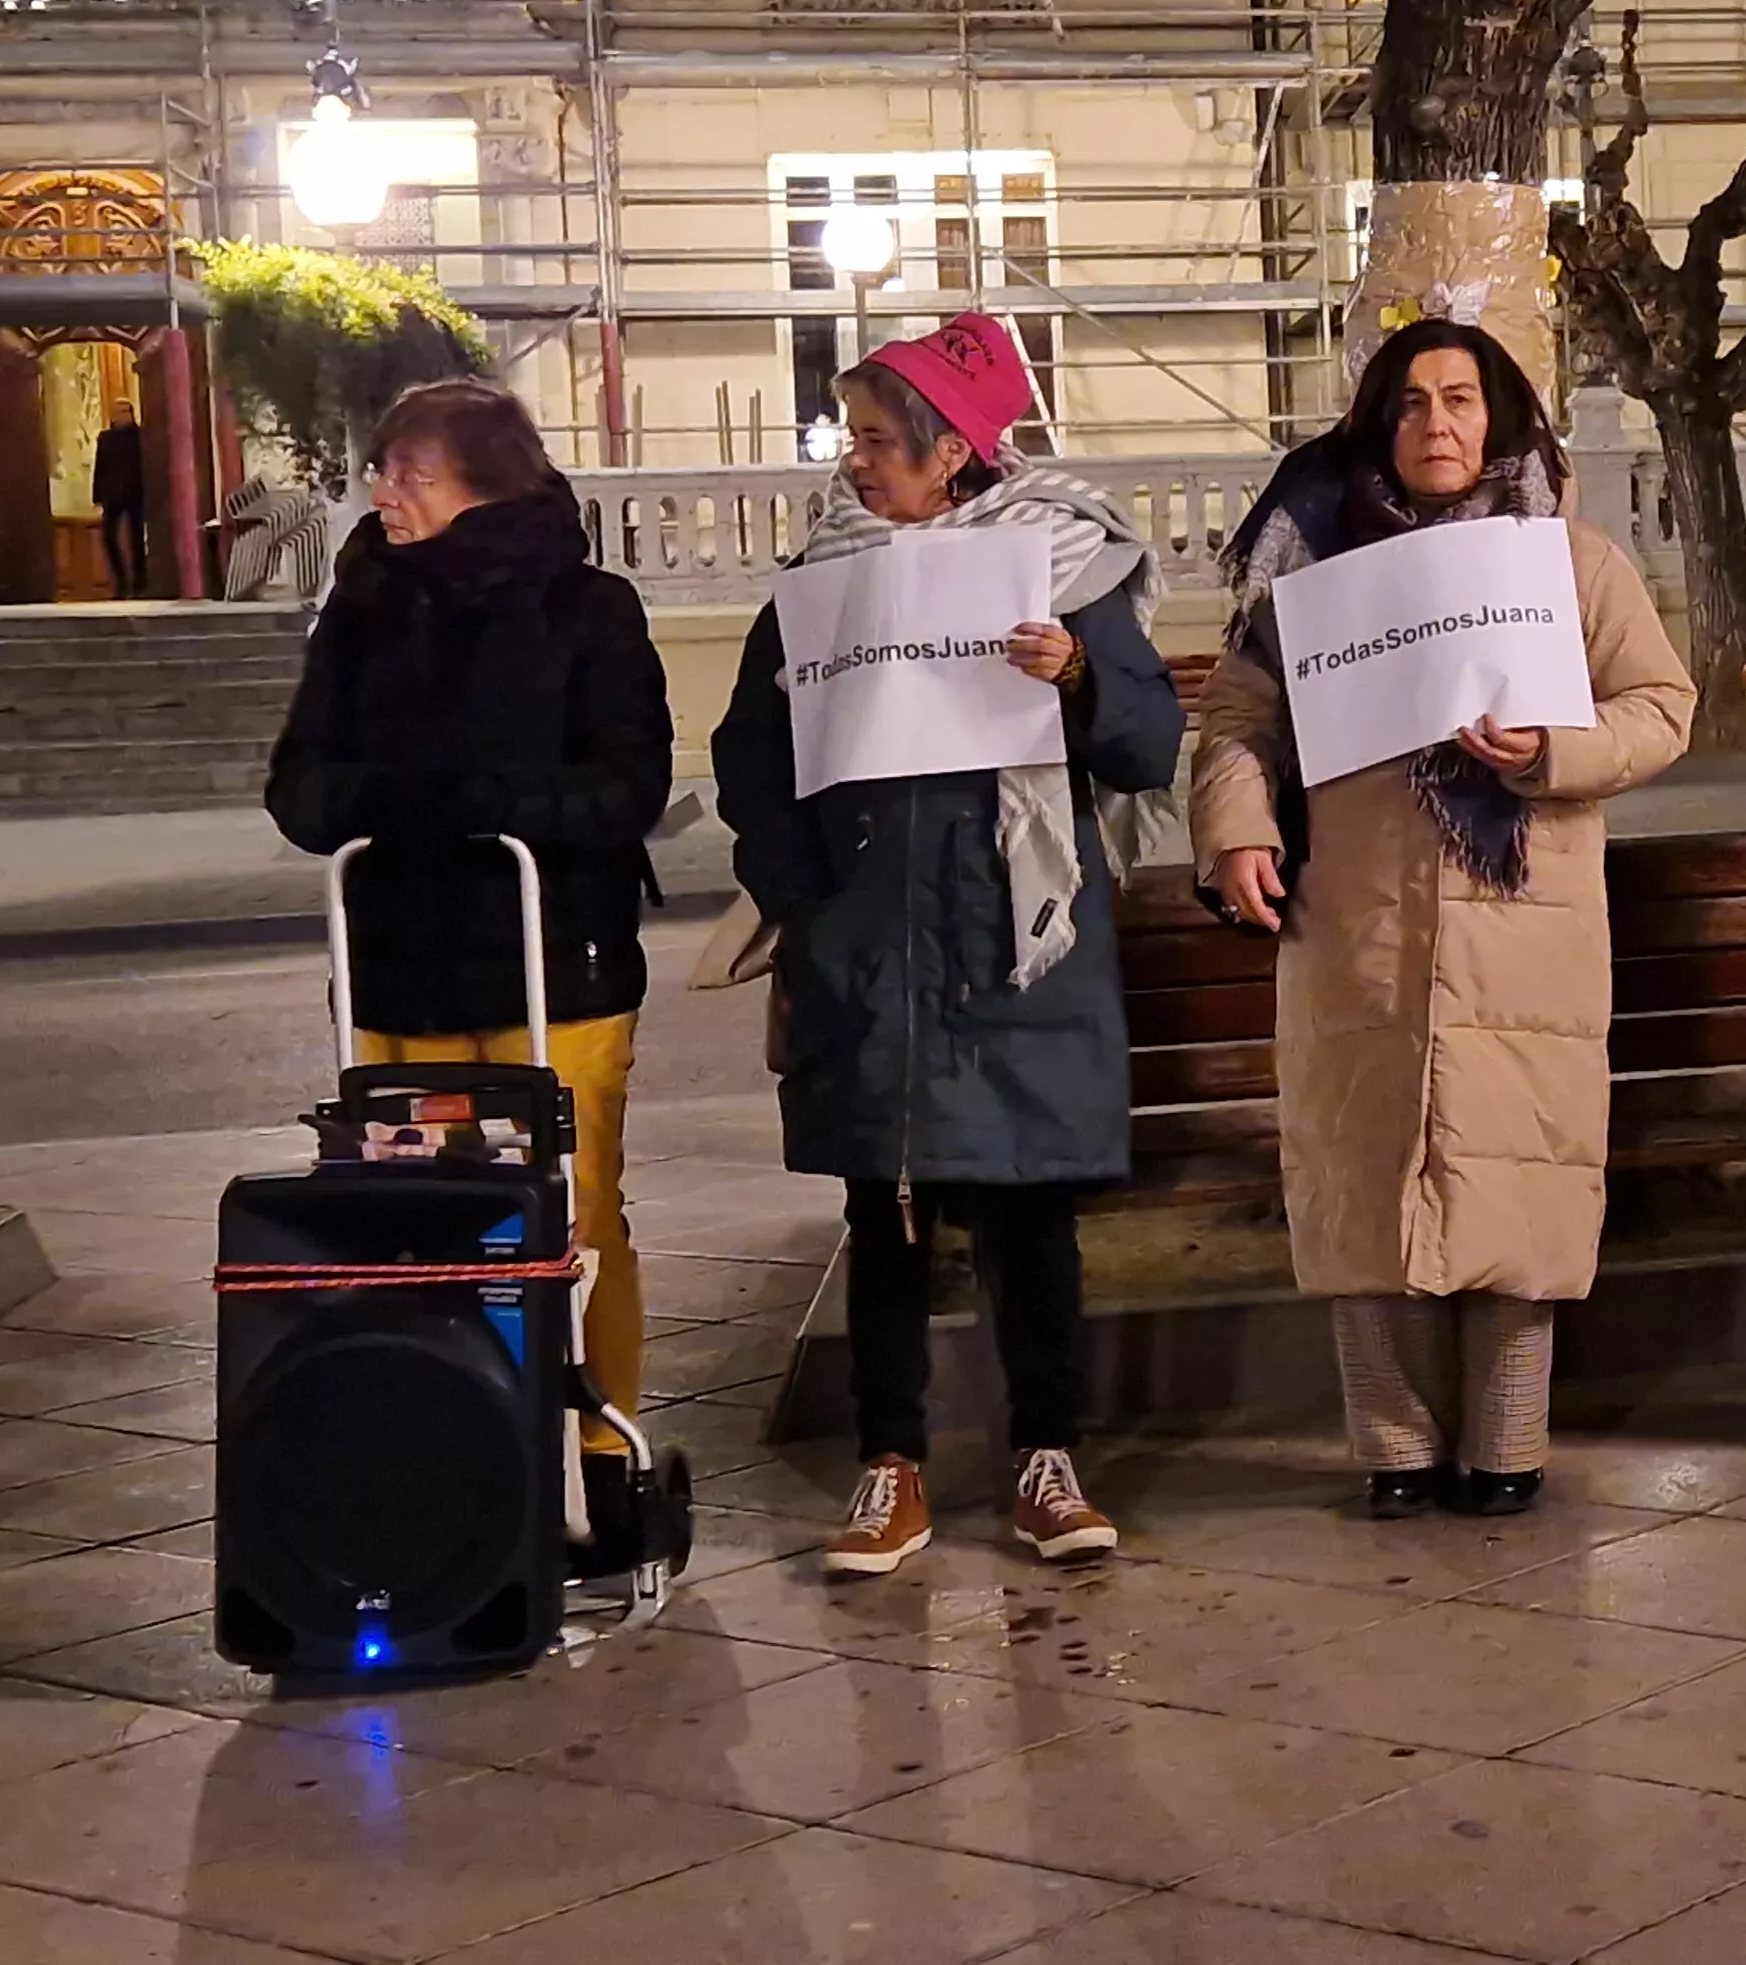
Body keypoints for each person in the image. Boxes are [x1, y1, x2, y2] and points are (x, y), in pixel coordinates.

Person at [1191, 318, 1693, 1519]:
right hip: (1358, 919)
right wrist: (1239, 828)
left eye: (1461, 399)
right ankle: (1395, 1448)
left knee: (1517, 1173)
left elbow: (1660, 704)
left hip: (1526, 920)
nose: (1437, 425)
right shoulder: (1310, 571)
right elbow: (1236, 726)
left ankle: (1510, 1442)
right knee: (1367, 1179)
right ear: (1379, 421)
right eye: (1411, 403)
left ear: (1499, 415)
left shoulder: (1569, 563)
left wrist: (1551, 753)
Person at [717, 312, 1184, 1574]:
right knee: (888, 1209)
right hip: (871, 941)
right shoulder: (825, 579)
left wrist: (1079, 674)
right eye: (852, 437)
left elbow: (1147, 748)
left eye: (878, 438)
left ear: (952, 449)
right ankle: (890, 1464)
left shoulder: (1060, 566)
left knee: (1032, 1217)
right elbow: (750, 759)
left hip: (1016, 935)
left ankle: (1048, 1459)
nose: (854, 461)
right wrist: (801, 885)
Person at [263, 379, 675, 1557]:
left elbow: (626, 785)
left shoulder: (587, 609)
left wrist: (488, 805)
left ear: (484, 486)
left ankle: (601, 1458)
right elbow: (299, 785)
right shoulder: (361, 608)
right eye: (382, 471)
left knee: (573, 1213)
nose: (383, 494)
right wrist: (392, 805)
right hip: (400, 968)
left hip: (558, 966)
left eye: (410, 474)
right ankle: (444, 1441)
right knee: (413, 1221)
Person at [93, 403, 152, 600]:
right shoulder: (106, 438)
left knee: (137, 539)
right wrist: (98, 495)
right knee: (108, 537)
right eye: (116, 412)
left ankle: (139, 583)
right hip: (113, 495)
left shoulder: (140, 436)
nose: (120, 416)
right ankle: (121, 581)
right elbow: (100, 467)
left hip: (136, 493)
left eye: (124, 412)